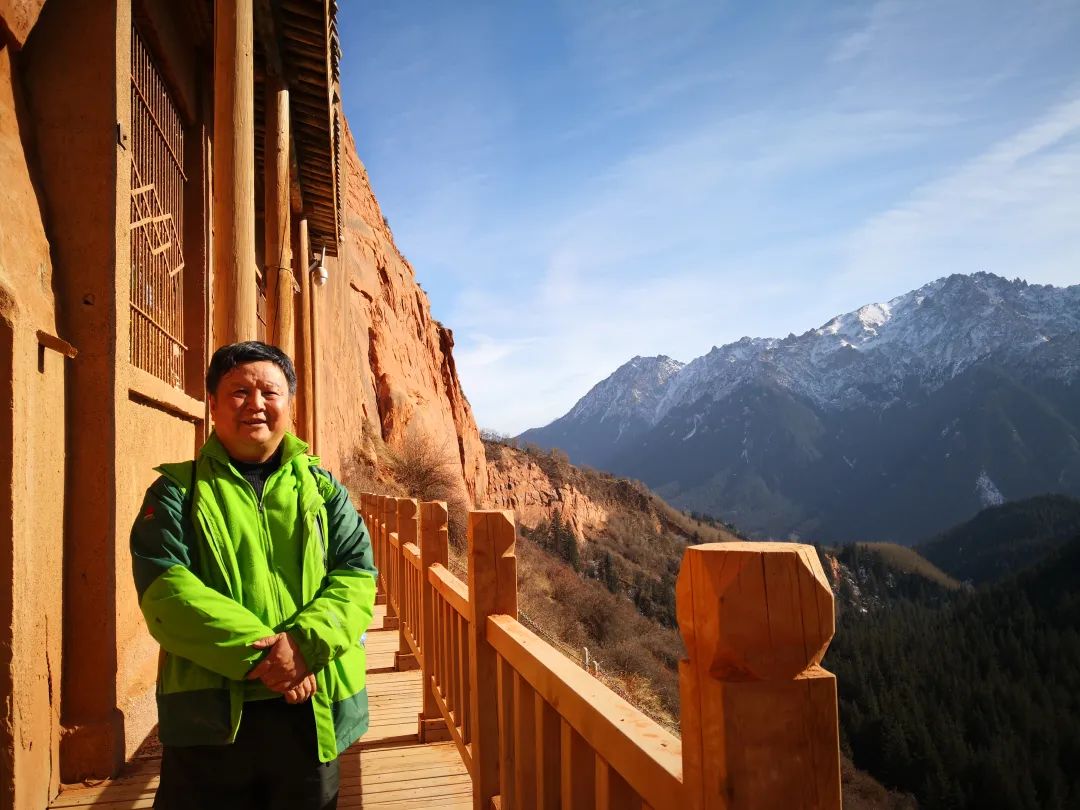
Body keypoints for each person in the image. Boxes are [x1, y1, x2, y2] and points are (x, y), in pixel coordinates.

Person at [130, 341, 377, 809]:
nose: (256, 404)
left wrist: (303, 645)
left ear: (289, 403)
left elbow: (357, 575)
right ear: (213, 403)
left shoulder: (324, 490)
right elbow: (167, 592)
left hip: (312, 708)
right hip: (210, 720)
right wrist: (275, 660)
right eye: (240, 391)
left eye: (270, 391)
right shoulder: (176, 492)